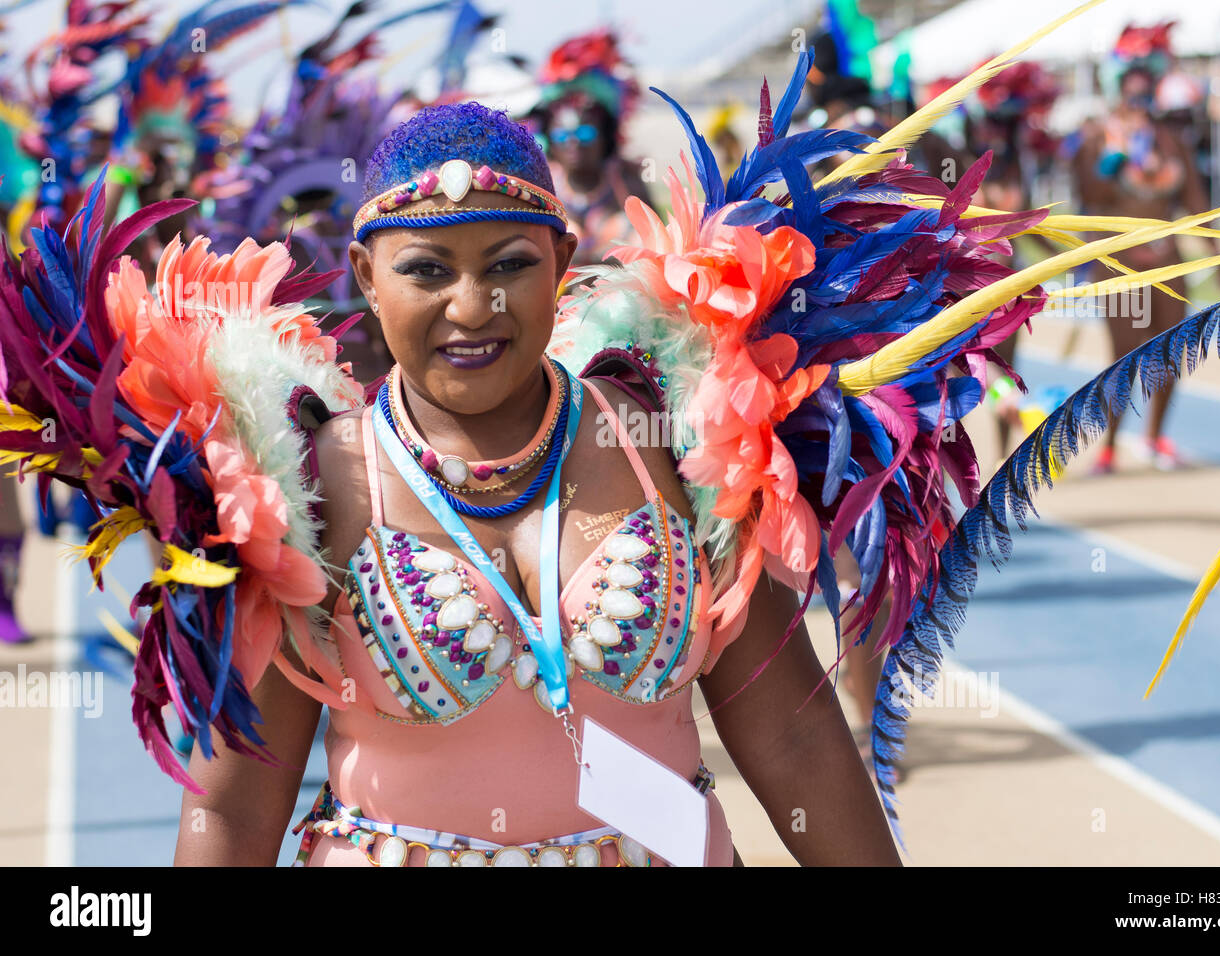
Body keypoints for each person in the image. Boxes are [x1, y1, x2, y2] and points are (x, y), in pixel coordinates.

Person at [174, 102, 901, 867]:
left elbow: (794, 738)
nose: (470, 305)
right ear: (366, 276)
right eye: (426, 269)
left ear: (561, 259)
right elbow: (233, 805)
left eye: (509, 264)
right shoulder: (306, 484)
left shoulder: (678, 434)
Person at [1072, 23, 1220, 473]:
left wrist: (1218, 258)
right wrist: (1115, 159)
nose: (1138, 97)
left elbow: (1197, 204)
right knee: (1123, 358)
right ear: (1118, 88)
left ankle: (1156, 437)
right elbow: (1091, 199)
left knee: (1167, 355)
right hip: (1118, 266)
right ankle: (1108, 448)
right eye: (1131, 87)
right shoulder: (1096, 142)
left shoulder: (1173, 143)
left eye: (1146, 87)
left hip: (1168, 263)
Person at [530, 30, 650, 267]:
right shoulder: (540, 187)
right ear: (550, 139)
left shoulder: (628, 183)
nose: (573, 142)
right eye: (563, 134)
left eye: (585, 133)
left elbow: (657, 252)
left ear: (605, 135)